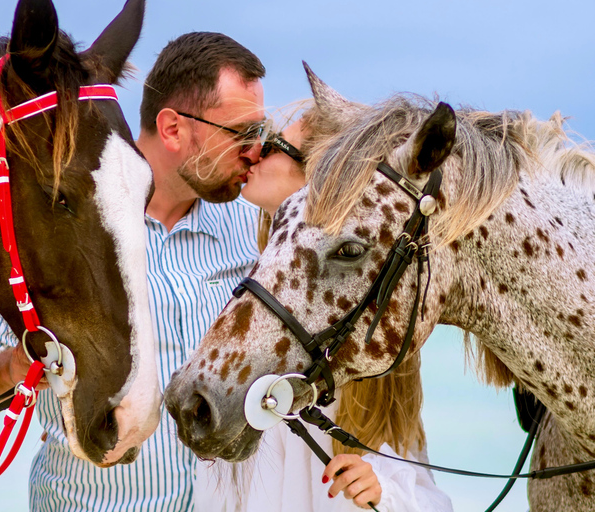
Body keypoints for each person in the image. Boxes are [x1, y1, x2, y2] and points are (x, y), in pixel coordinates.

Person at [0, 32, 267, 511]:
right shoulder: (57, 229)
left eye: (262, 131)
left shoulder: (255, 228)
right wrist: (13, 365)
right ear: (173, 128)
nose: (255, 150)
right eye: (241, 132)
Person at [193, 112, 454, 511]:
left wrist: (383, 489)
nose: (254, 153)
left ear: (322, 172)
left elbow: (424, 493)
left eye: (273, 145)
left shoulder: (363, 328)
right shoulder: (249, 276)